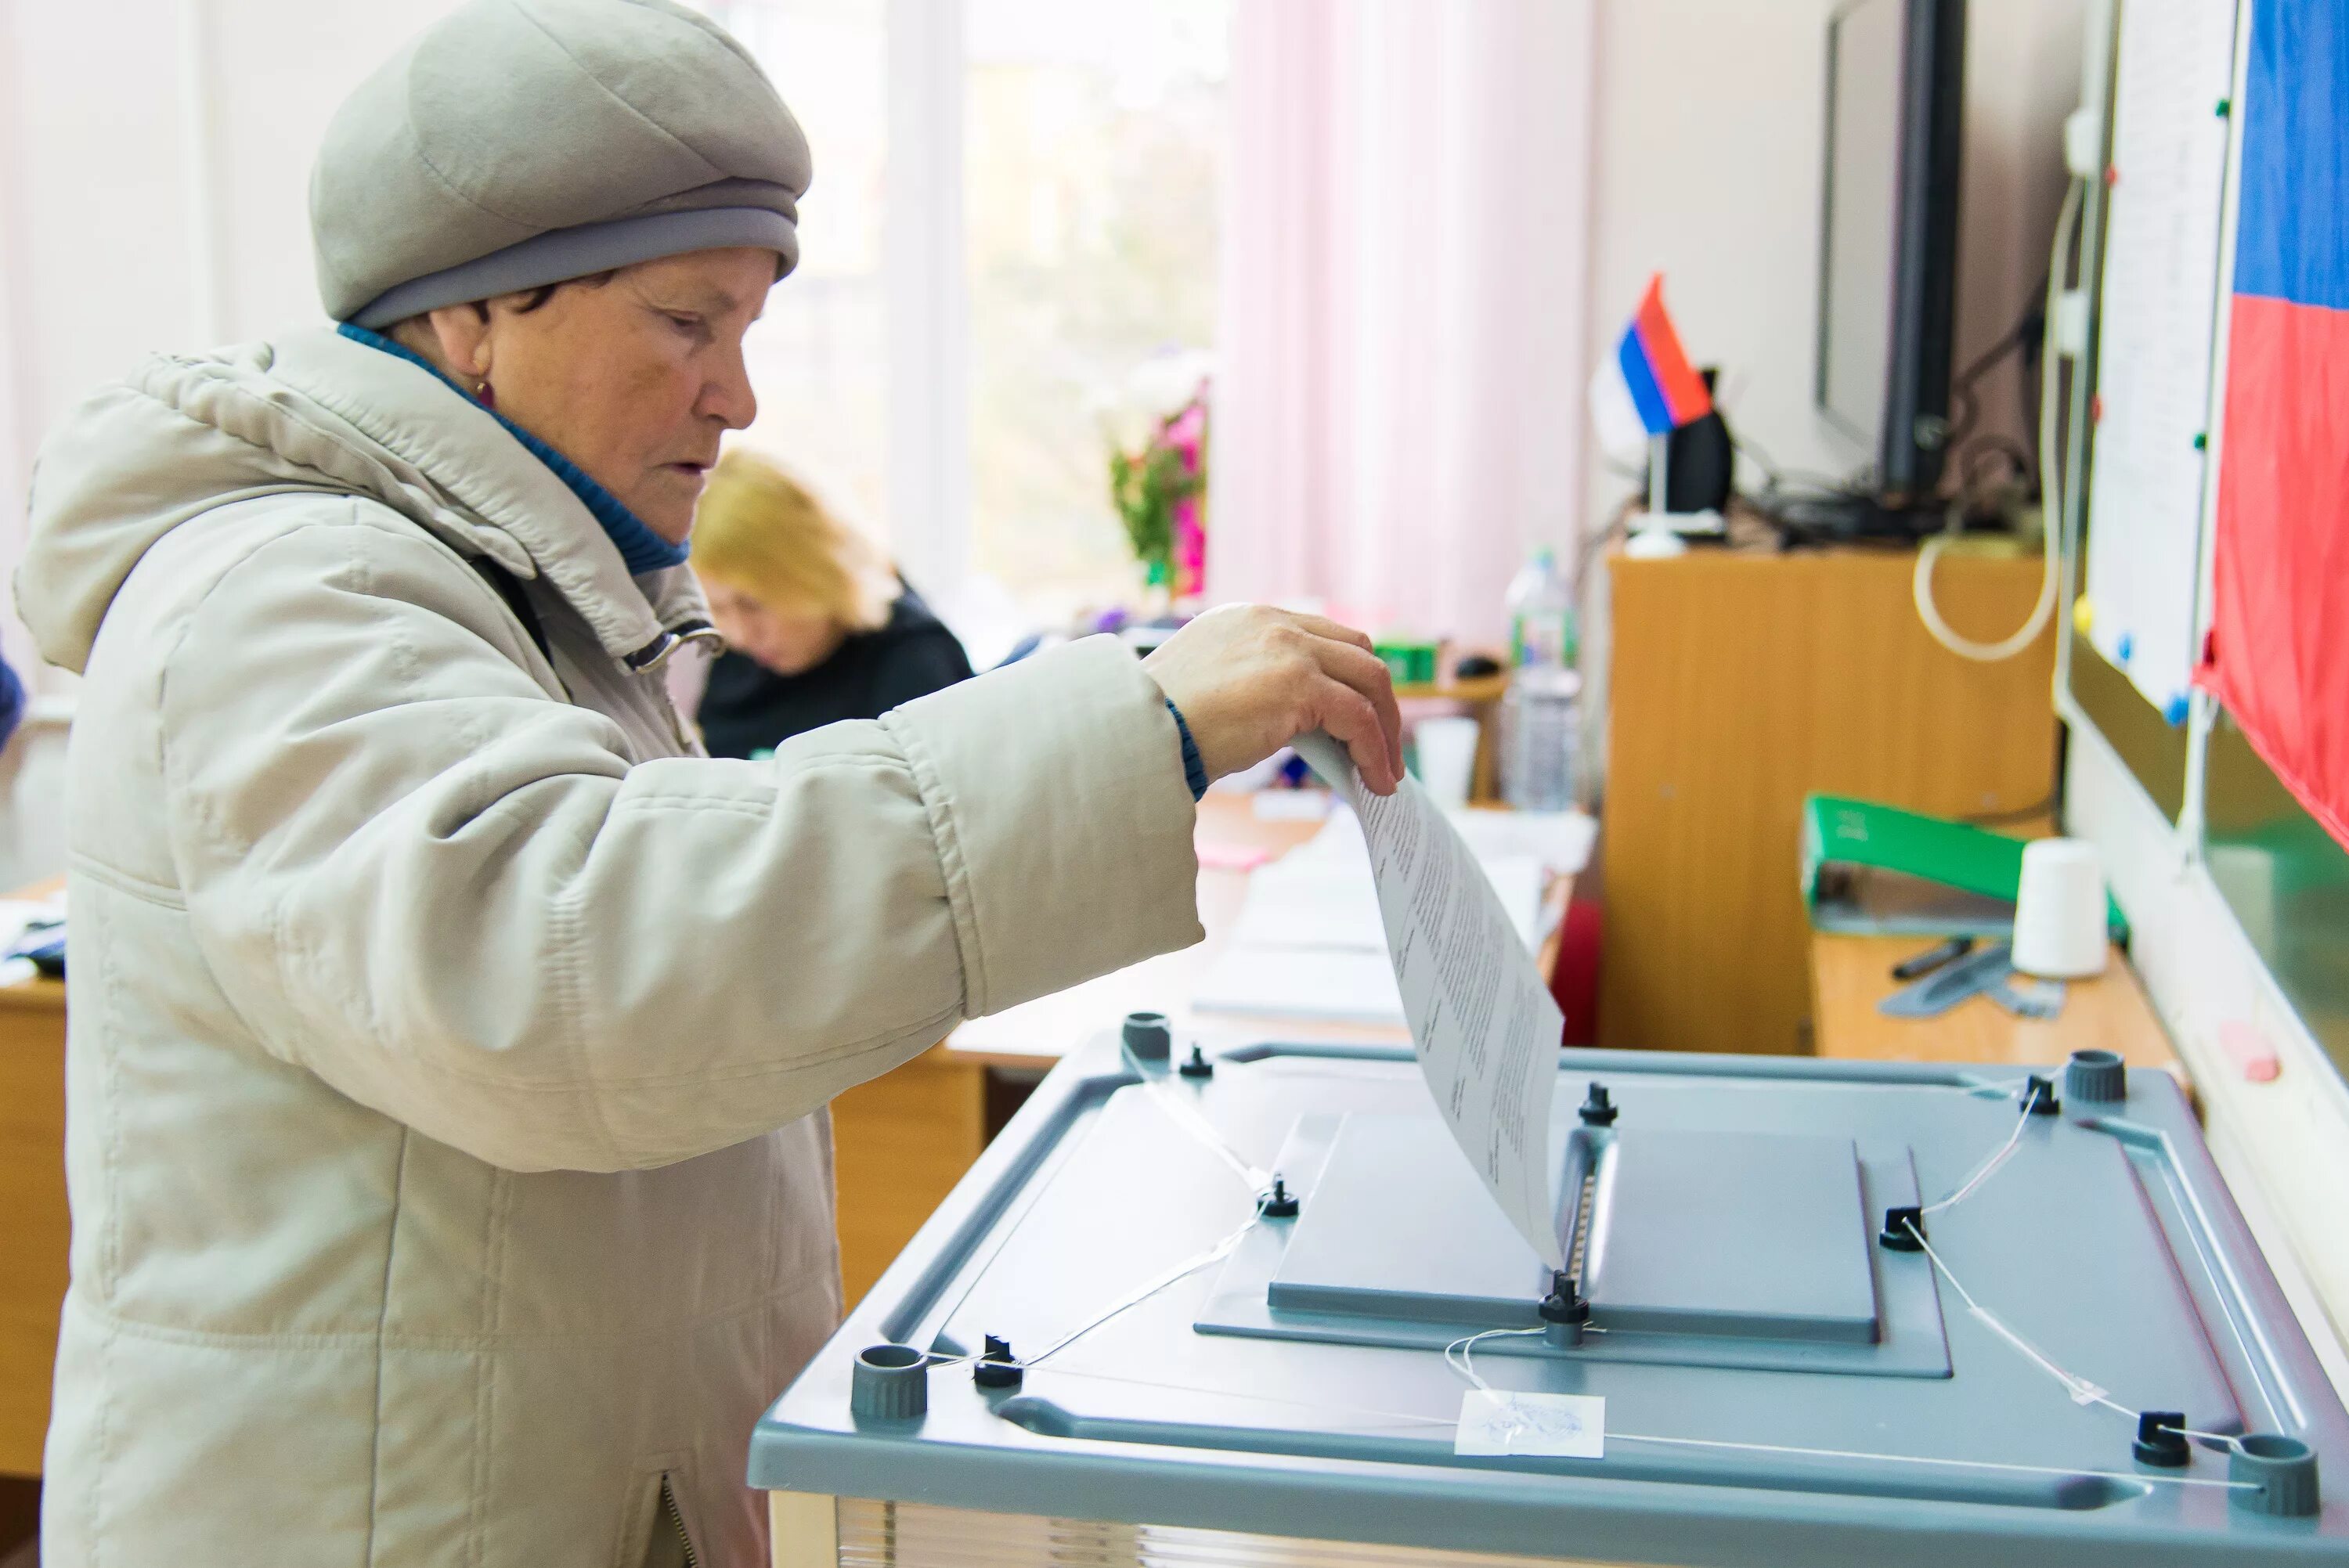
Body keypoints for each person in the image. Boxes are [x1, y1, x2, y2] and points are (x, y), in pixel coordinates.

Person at [9, 2, 1401, 1565]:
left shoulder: (517, 593)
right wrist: (1128, 730)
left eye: (749, 329)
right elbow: (565, 965)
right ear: (473, 316)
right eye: (688, 320)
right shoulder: (289, 592)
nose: (737, 396)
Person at [687, 449, 973, 759]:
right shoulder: (742, 656)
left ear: (818, 574)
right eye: (717, 608)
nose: (740, 635)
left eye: (754, 605)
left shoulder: (916, 664)